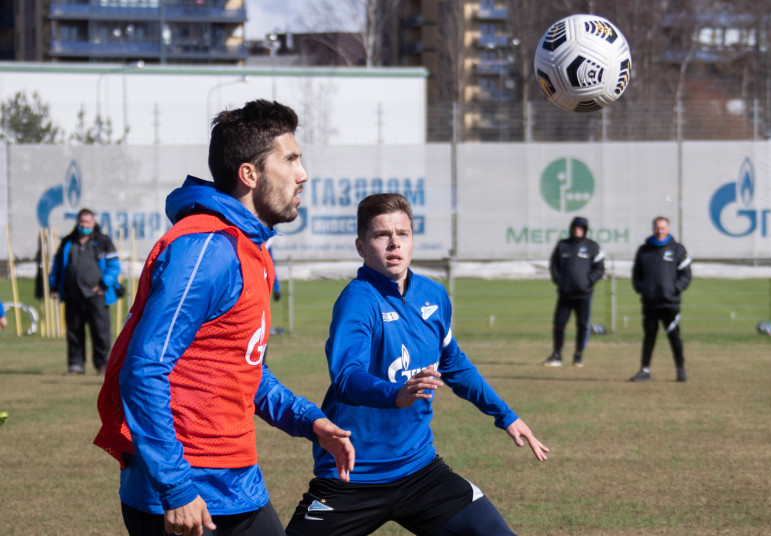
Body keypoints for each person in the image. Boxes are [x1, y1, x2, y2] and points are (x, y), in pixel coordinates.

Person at [93, 100, 355, 536]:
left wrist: (309, 420)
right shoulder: (206, 249)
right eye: (290, 159)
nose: (302, 174)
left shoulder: (250, 249)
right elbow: (144, 369)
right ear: (249, 175)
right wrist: (176, 488)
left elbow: (241, 368)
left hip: (235, 482)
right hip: (186, 493)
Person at [285, 193, 549, 536]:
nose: (394, 243)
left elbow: (453, 362)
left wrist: (506, 414)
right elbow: (346, 379)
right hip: (352, 477)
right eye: (381, 235)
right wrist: (397, 394)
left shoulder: (433, 295)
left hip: (420, 472)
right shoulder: (357, 302)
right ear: (361, 246)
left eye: (403, 234)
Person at [49, 208, 120, 375]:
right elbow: (57, 266)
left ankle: (102, 364)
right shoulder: (67, 241)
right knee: (74, 331)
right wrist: (53, 286)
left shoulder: (103, 241)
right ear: (77, 222)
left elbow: (114, 266)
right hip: (72, 295)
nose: (84, 225)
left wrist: (104, 284)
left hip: (97, 295)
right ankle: (75, 365)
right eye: (82, 222)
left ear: (93, 223)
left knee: (100, 332)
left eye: (88, 222)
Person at [630, 216, 692, 382]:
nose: (660, 231)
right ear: (653, 228)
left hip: (669, 303)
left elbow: (686, 274)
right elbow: (636, 274)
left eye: (663, 228)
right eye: (657, 227)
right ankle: (644, 370)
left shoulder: (678, 250)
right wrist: (642, 289)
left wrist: (674, 289)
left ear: (668, 229)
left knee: (674, 336)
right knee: (649, 337)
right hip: (650, 303)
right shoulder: (644, 250)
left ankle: (680, 370)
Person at [542, 216, 605, 367]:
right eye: (576, 227)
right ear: (571, 228)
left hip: (584, 294)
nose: (578, 229)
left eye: (581, 227)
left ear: (585, 230)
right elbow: (554, 266)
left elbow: (600, 268)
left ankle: (578, 355)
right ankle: (557, 355)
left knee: (582, 325)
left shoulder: (592, 246)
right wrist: (561, 281)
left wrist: (588, 281)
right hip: (565, 294)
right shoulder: (562, 245)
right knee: (559, 324)